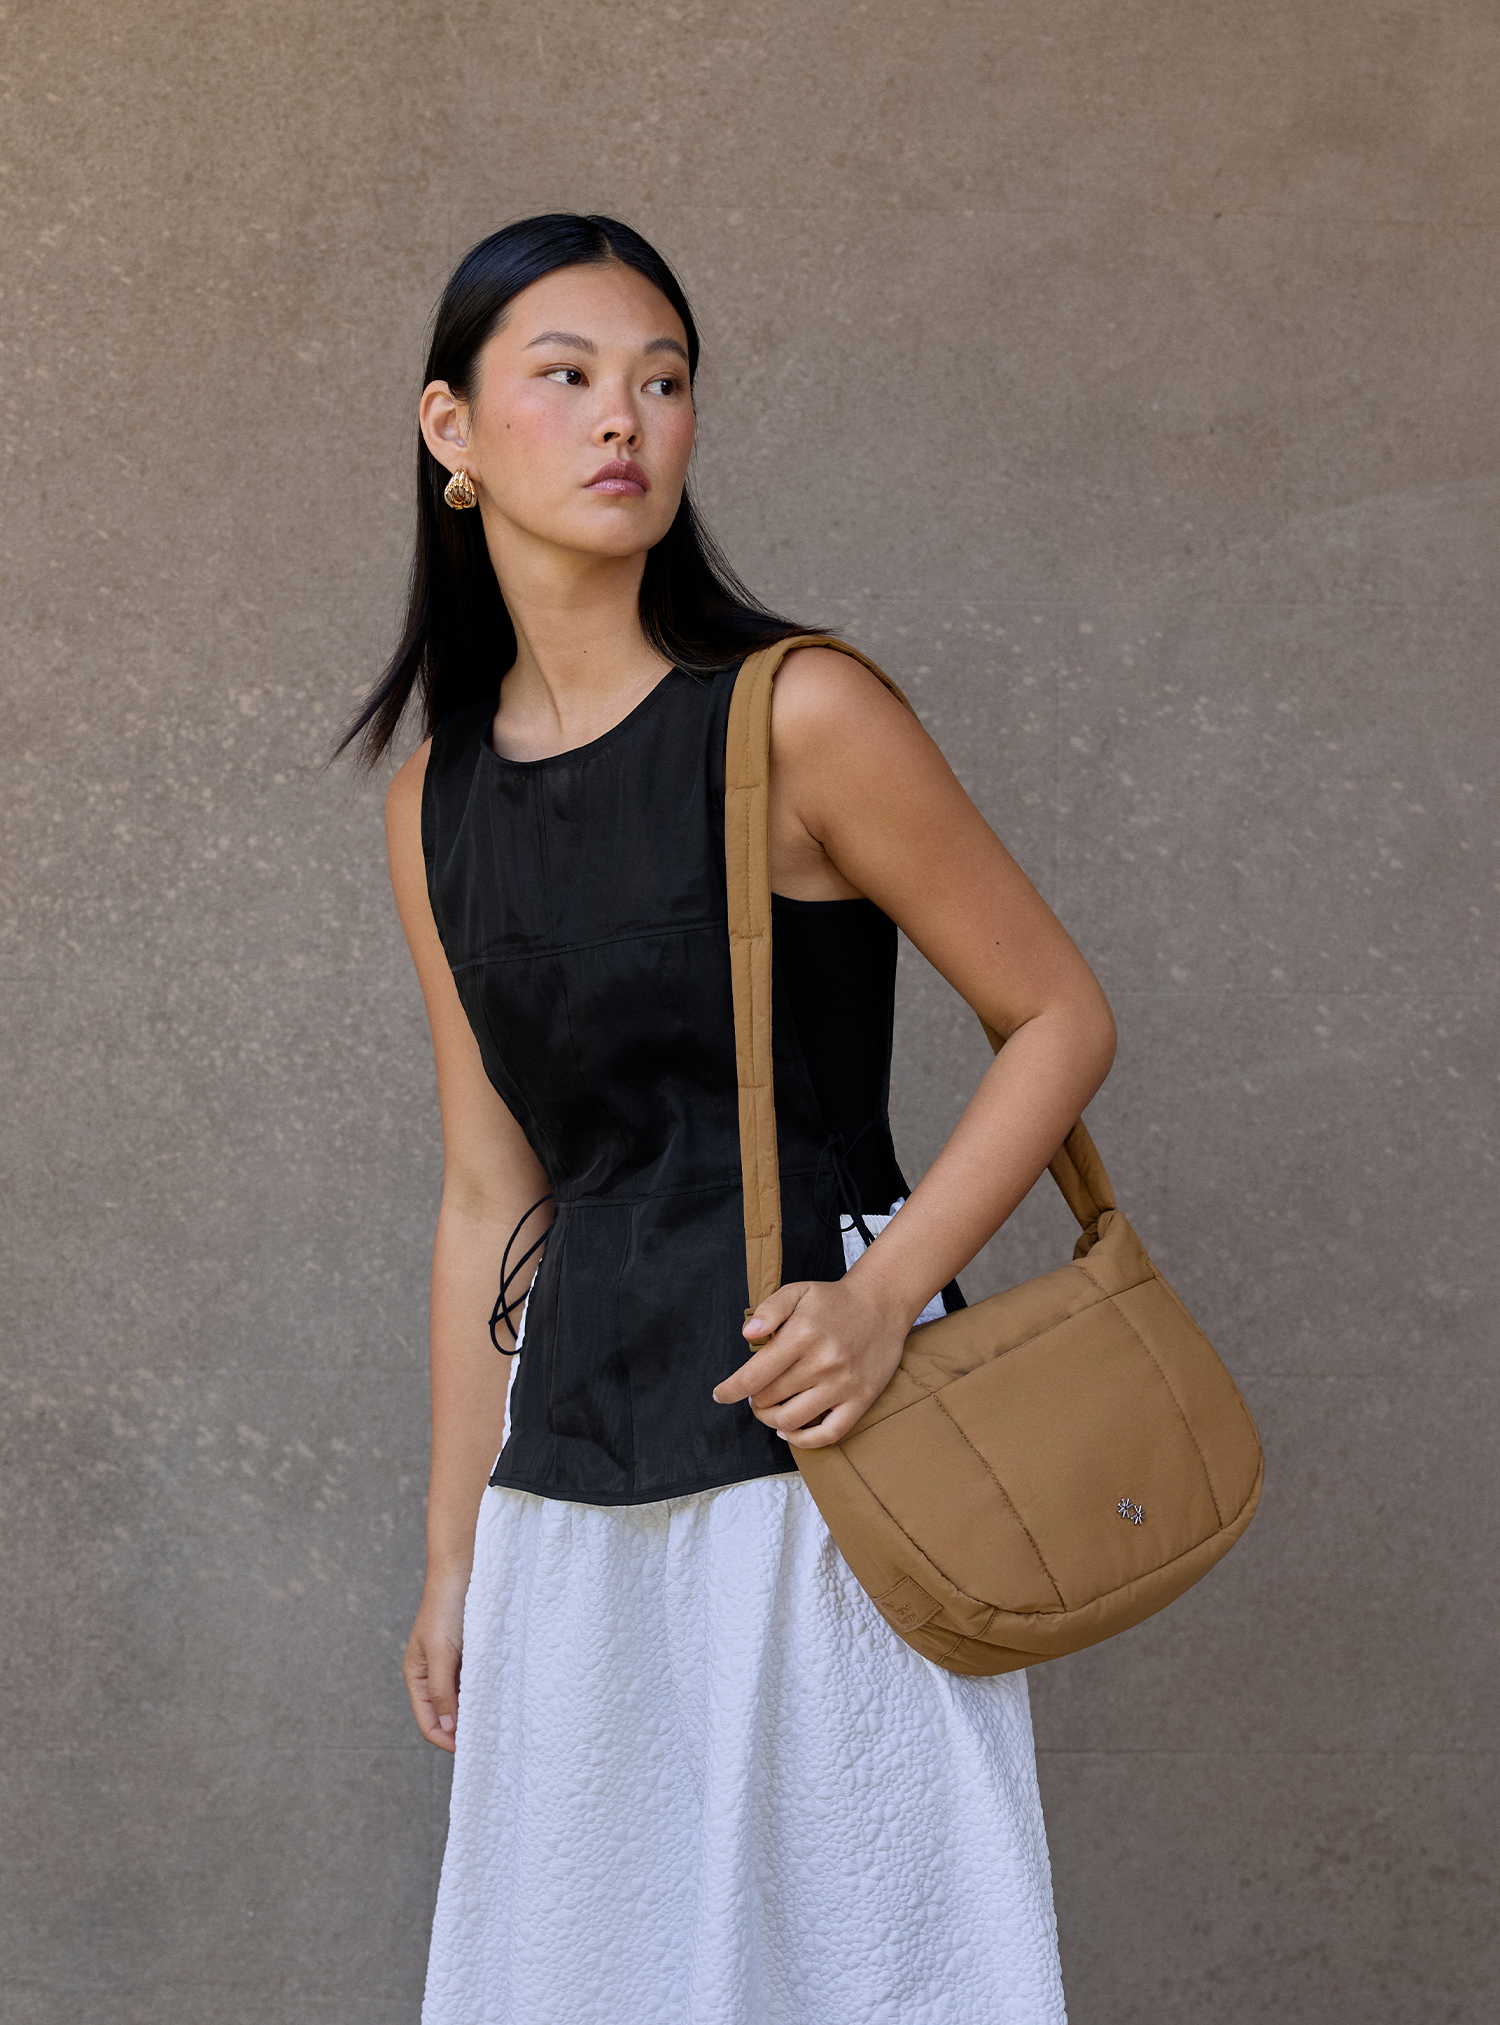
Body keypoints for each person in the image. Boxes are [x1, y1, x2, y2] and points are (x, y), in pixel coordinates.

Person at [343, 212, 1115, 2025]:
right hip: (572, 1466)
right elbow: (489, 1195)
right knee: (592, 1964)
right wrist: (455, 1558)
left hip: (823, 1430)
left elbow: (1059, 1017)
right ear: (451, 430)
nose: (625, 417)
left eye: (664, 379)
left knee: (861, 1958)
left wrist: (883, 1296)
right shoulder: (433, 803)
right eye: (567, 376)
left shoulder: (800, 715)